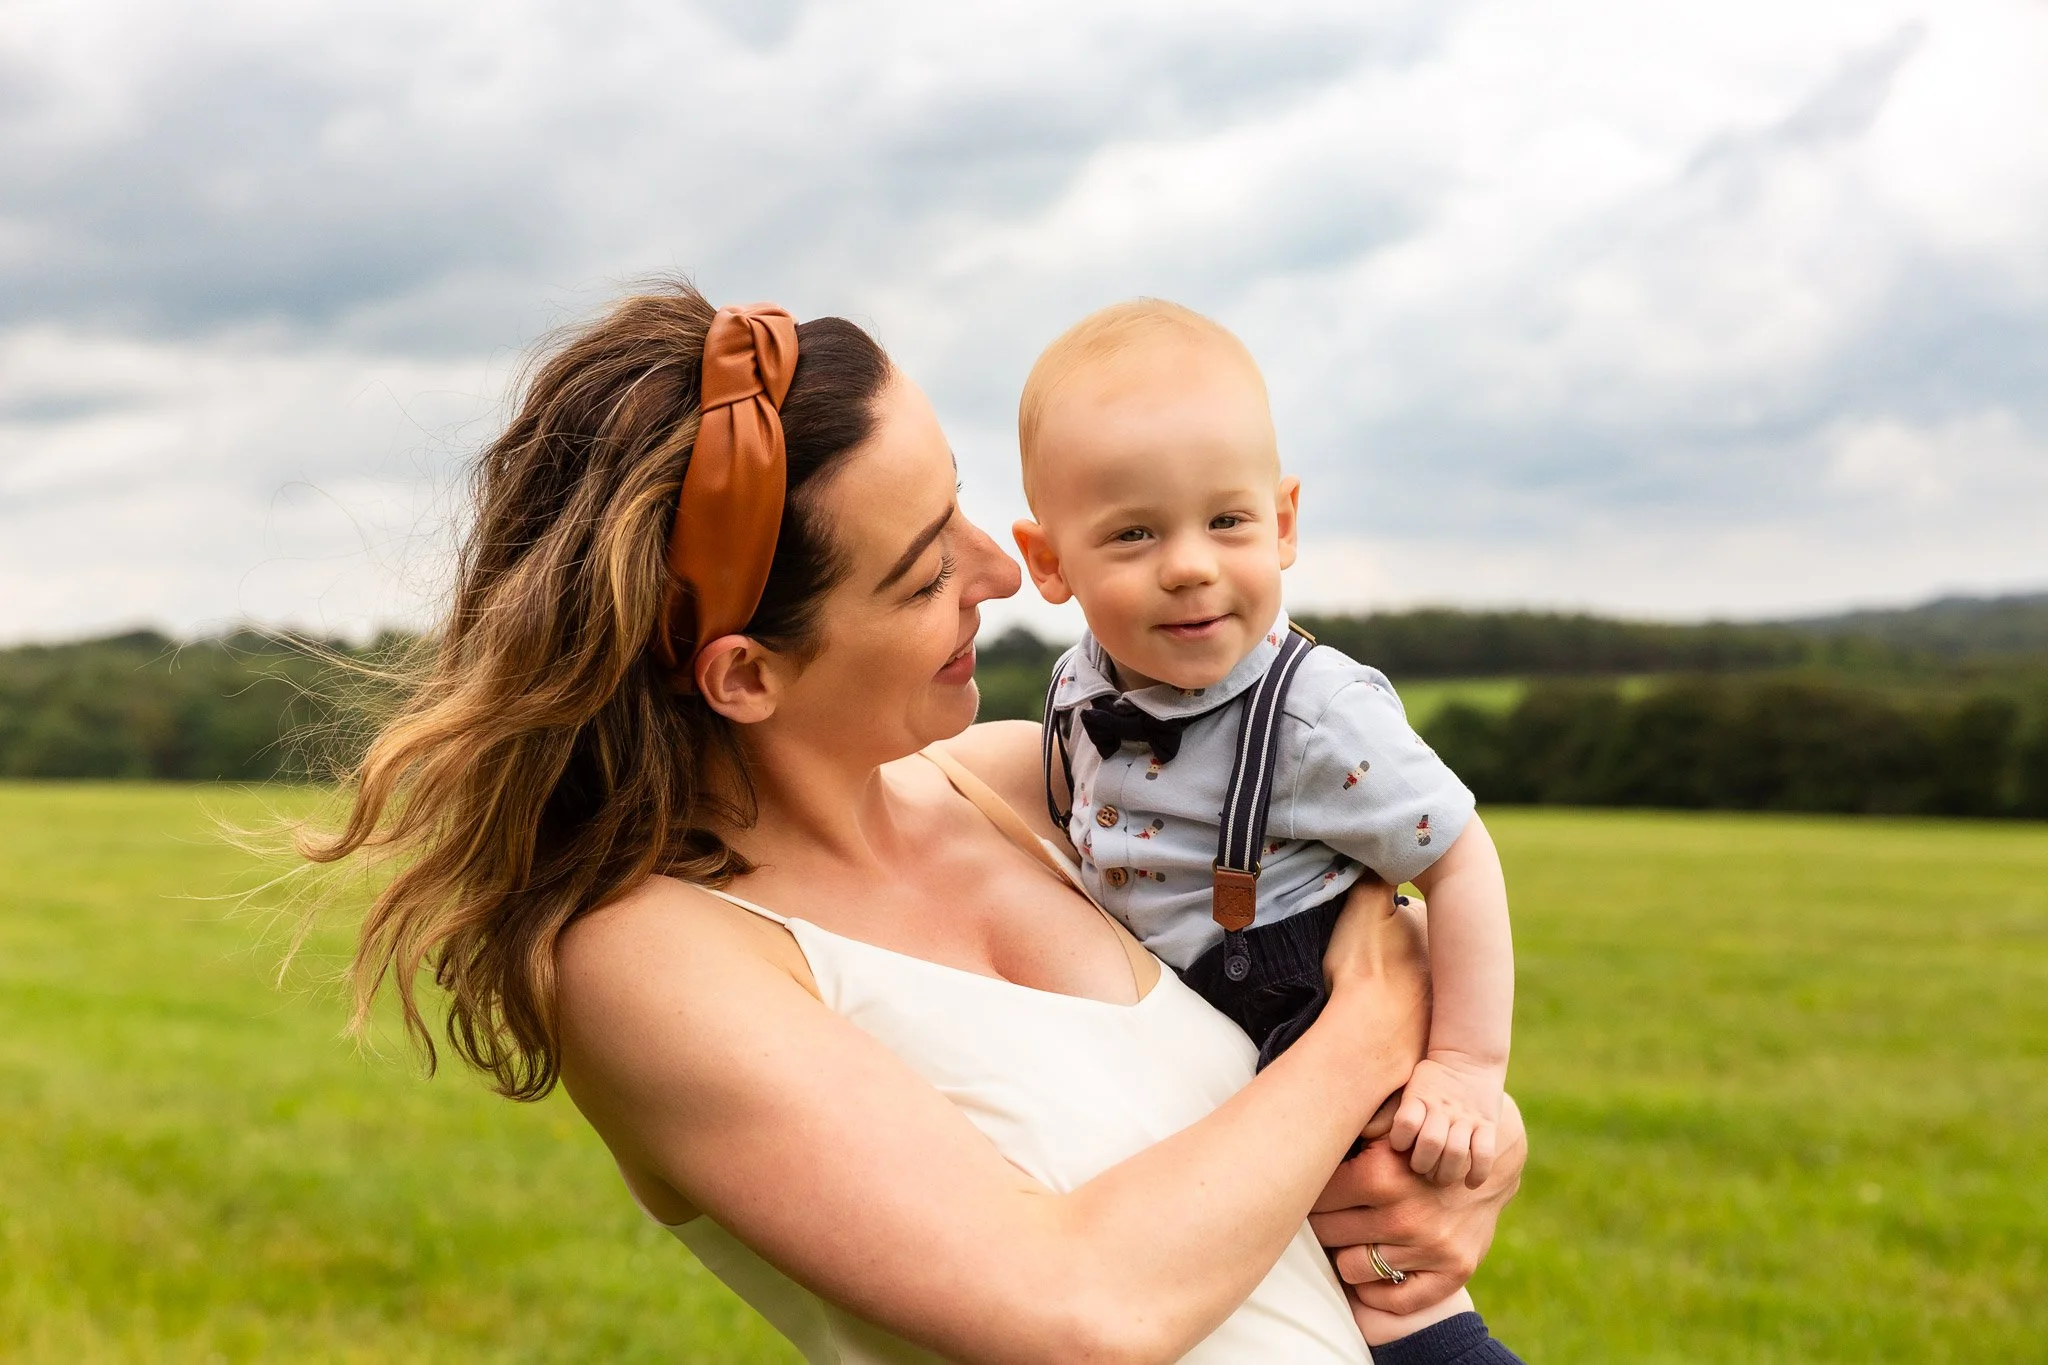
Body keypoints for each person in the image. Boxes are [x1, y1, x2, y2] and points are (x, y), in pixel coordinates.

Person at [307, 281, 1527, 1363]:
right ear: (745, 676)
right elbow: (1078, 1312)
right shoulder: (650, 961)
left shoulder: (1037, 786)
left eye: (959, 507)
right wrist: (1365, 1035)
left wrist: (1458, 1153)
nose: (999, 574)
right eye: (921, 570)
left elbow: (1372, 922)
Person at [1009, 300, 1518, 1349]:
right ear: (1048, 559)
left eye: (1225, 522)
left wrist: (1464, 1069)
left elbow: (1460, 858)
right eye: (1134, 532)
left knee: (1386, 1291)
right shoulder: (1072, 690)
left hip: (1301, 1018)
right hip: (1187, 1038)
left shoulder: (1315, 715)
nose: (1189, 564)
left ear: (1283, 522)